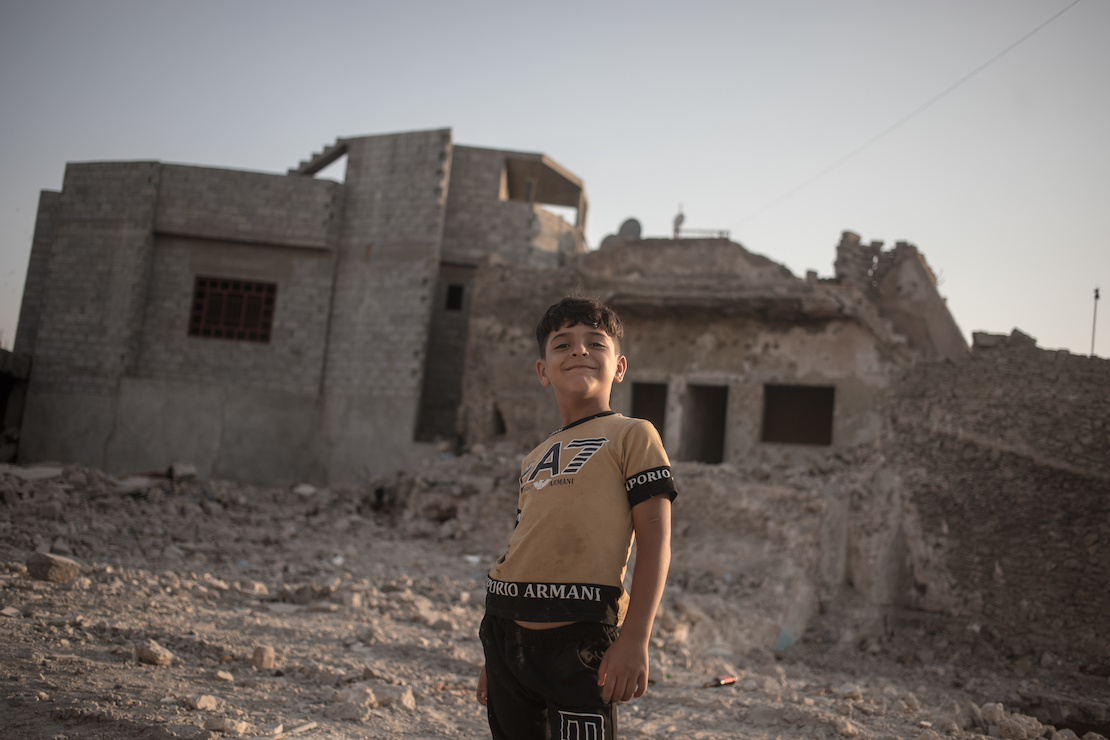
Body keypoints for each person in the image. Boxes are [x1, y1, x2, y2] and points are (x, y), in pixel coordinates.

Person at [476, 296, 677, 740]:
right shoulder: (534, 457)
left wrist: (636, 639)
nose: (579, 351)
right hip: (505, 628)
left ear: (619, 367)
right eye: (562, 344)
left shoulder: (632, 434)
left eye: (594, 343)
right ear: (543, 370)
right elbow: (523, 540)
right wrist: (497, 656)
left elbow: (656, 540)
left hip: (581, 638)